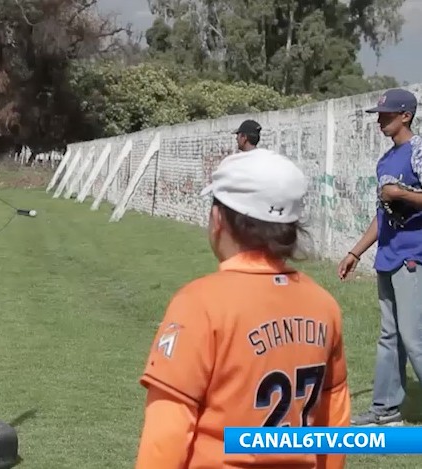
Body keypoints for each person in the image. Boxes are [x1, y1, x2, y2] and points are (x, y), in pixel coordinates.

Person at [135, 148, 351, 469]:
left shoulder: (199, 304)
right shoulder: (323, 305)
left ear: (219, 219)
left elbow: (167, 432)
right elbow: (333, 418)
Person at [337, 88, 422, 427]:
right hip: (388, 256)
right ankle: (386, 412)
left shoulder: (418, 151)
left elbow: (398, 197)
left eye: (386, 114)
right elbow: (383, 214)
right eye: (378, 113)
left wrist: (401, 193)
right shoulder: (385, 161)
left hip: (413, 256)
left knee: (414, 338)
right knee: (389, 336)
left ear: (406, 115)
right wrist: (355, 251)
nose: (379, 119)